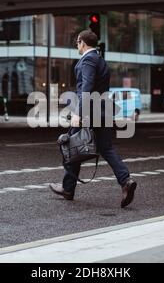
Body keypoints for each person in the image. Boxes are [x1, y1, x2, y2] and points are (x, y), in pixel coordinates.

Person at [49, 30, 137, 208]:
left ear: (82, 42)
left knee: (71, 145)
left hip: (89, 112)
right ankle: (125, 181)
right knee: (106, 149)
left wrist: (79, 113)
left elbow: (86, 88)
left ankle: (68, 188)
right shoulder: (101, 59)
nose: (76, 45)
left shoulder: (88, 60)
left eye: (77, 42)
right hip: (103, 111)